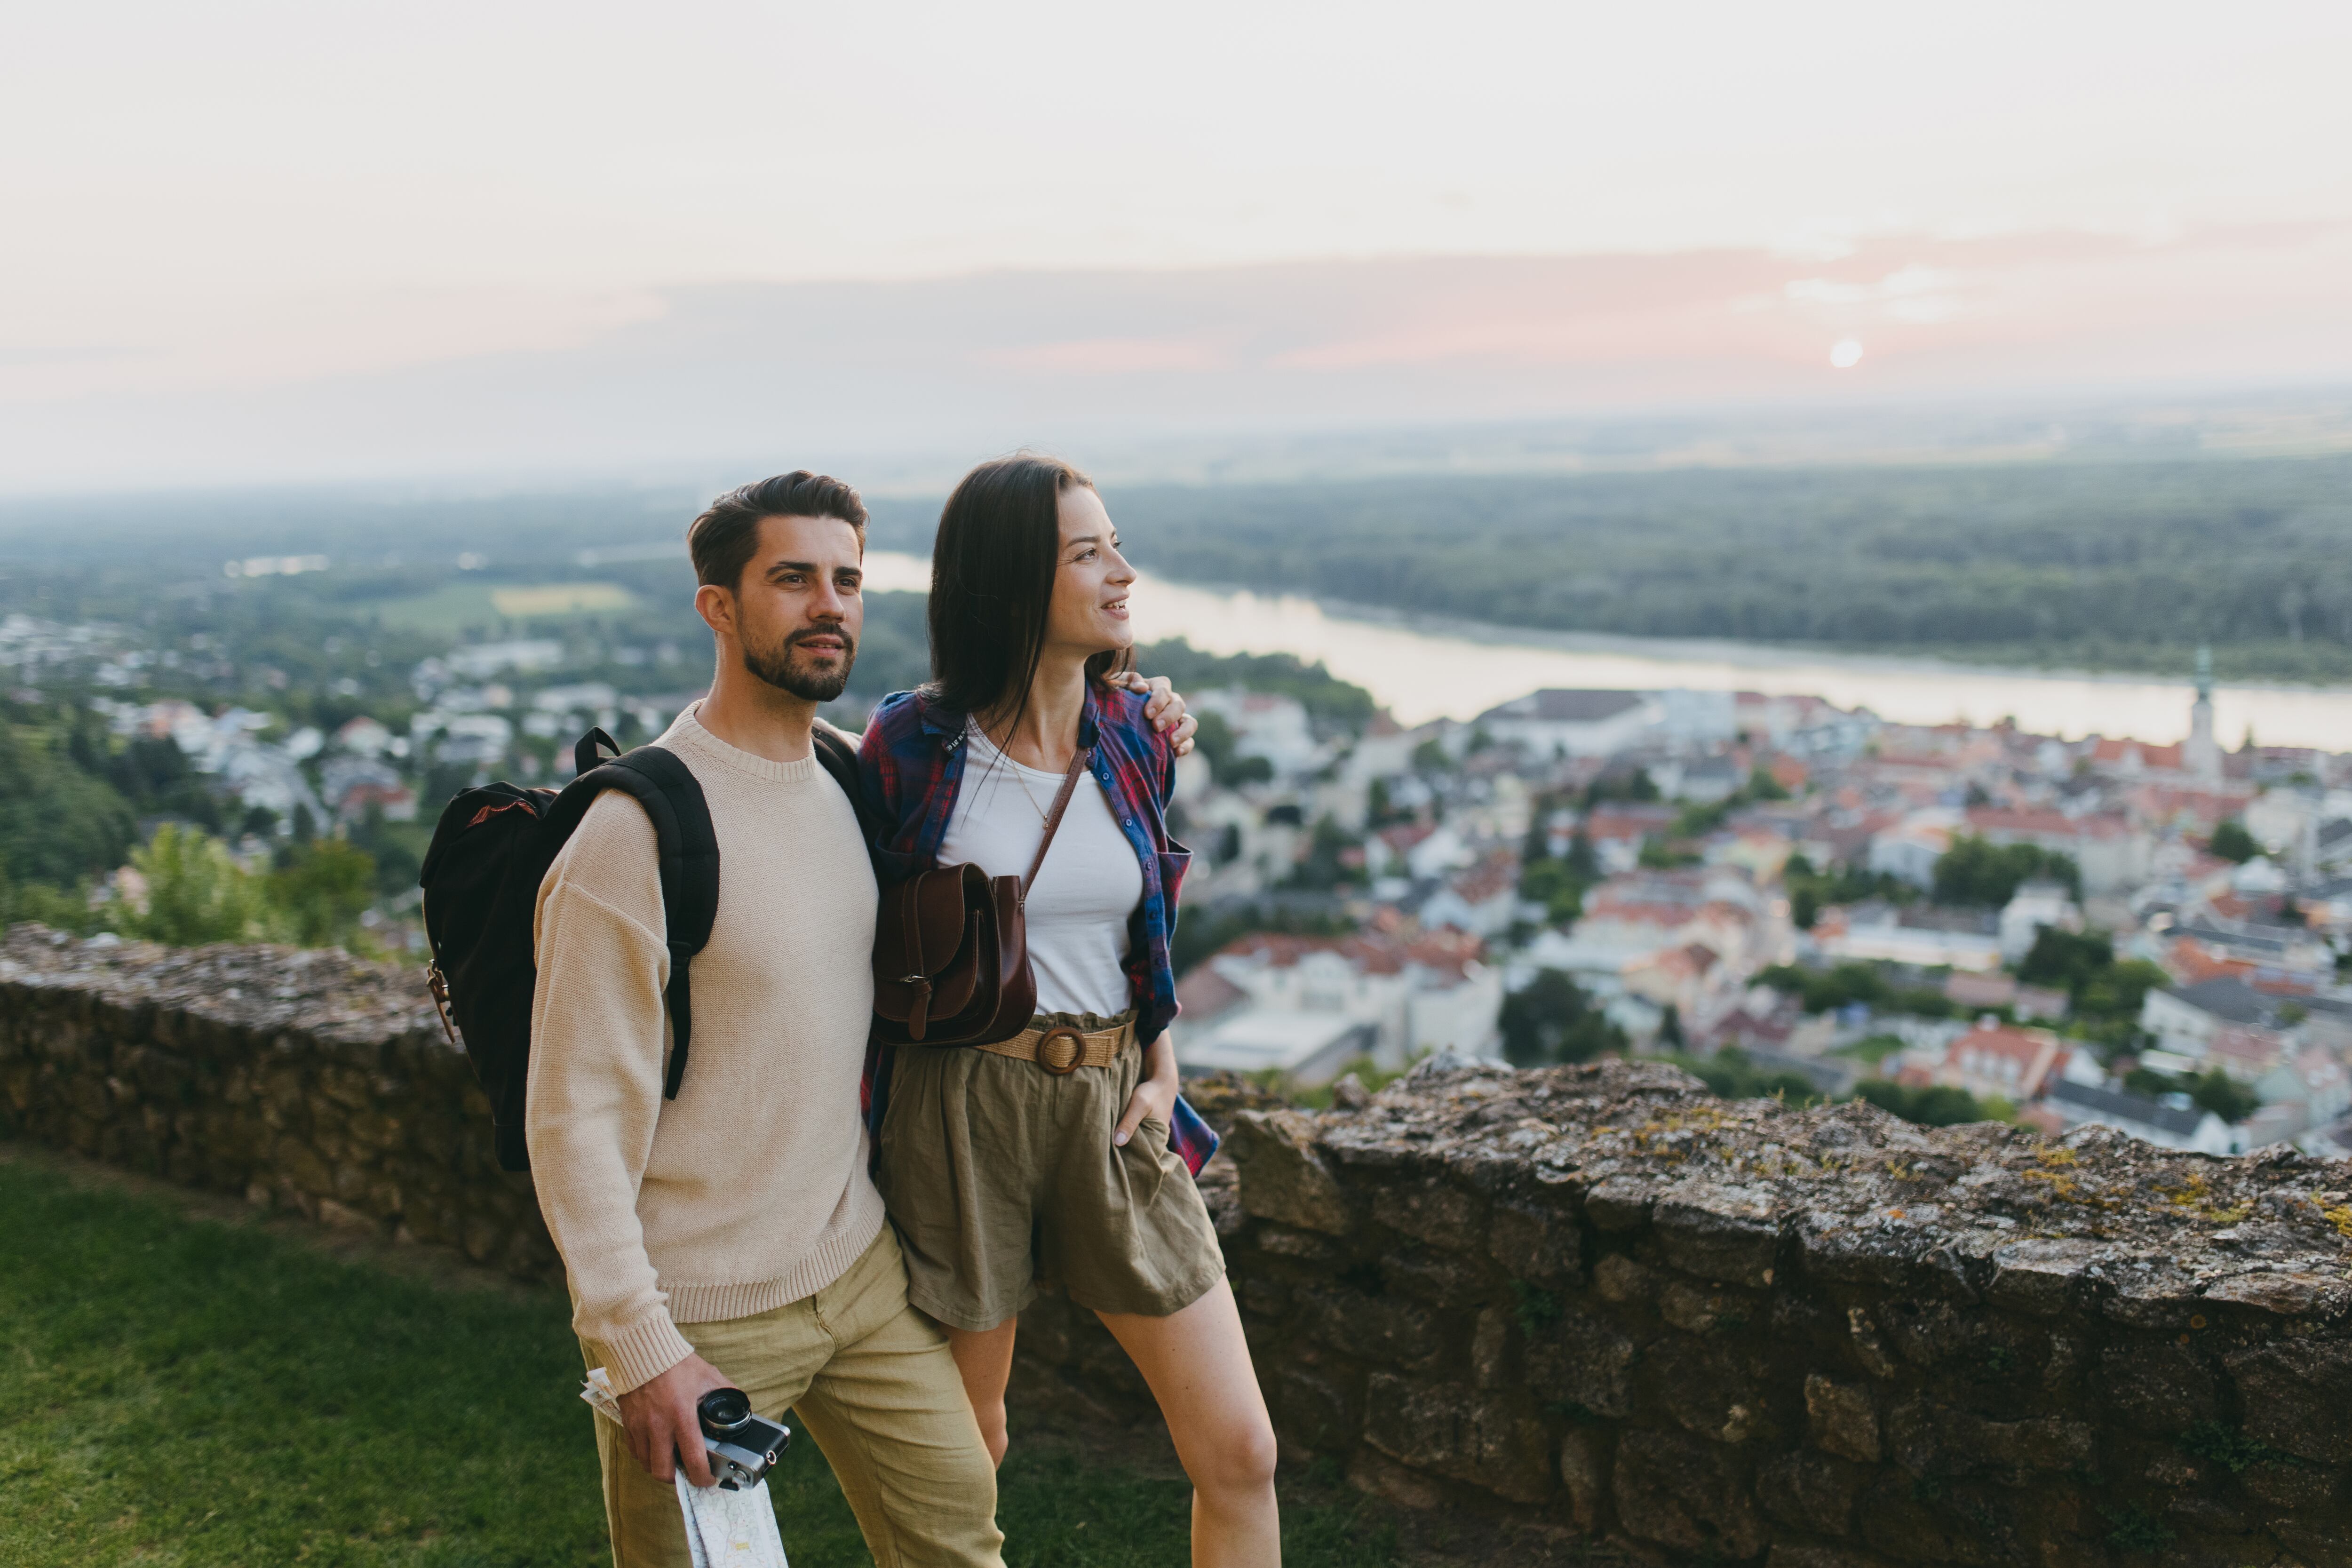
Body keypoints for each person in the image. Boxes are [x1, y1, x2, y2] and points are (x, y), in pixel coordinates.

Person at [526, 470, 1195, 1568]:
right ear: (719, 606)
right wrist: (639, 1348)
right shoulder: (632, 833)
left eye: (846, 579)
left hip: (863, 1274)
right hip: (700, 1310)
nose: (828, 605)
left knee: (961, 1541)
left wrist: (1139, 702)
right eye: (793, 579)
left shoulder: (854, 777)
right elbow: (574, 1117)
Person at [858, 455, 1282, 1568]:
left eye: (1115, 545)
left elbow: (1138, 930)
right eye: (1088, 553)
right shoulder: (915, 745)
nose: (1122, 572)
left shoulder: (1137, 732)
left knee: (1241, 1449)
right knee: (971, 1444)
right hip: (963, 1104)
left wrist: (1163, 1056)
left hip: (1114, 1101)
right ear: (1009, 579)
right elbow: (862, 937)